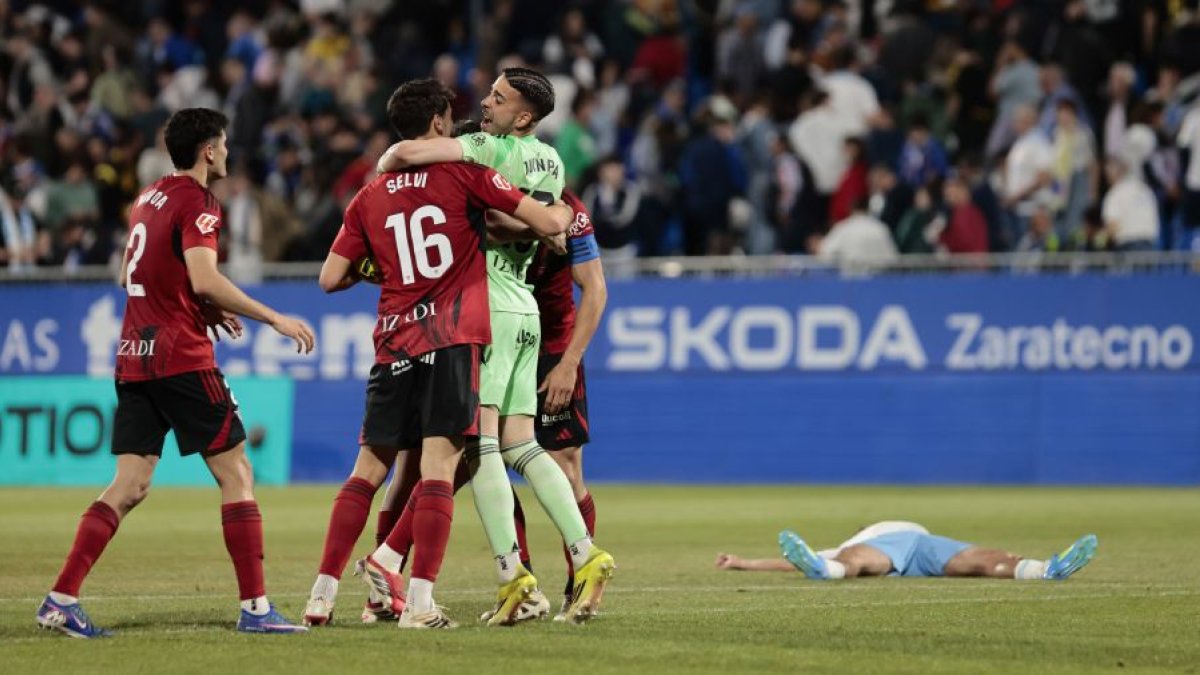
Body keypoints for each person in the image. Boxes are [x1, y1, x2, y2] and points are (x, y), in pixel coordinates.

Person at [36, 108, 316, 638]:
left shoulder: (148, 197)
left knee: (132, 482)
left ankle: (61, 598)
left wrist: (198, 305)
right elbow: (205, 278)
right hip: (181, 359)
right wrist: (274, 317)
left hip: (134, 355)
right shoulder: (198, 201)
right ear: (209, 149)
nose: (229, 153)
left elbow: (130, 274)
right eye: (225, 144)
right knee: (237, 474)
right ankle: (256, 609)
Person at [307, 79, 572, 630]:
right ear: (438, 125)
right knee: (441, 469)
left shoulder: (369, 194)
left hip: (393, 340)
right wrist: (565, 222)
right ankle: (419, 603)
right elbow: (548, 222)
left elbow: (330, 278)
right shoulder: (465, 174)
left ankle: (322, 594)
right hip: (451, 339)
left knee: (368, 471)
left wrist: (386, 266)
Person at [376, 67, 615, 625]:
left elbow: (409, 154)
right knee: (521, 447)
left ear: (522, 116)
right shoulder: (553, 163)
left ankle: (512, 574)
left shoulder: (483, 148)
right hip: (526, 311)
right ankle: (585, 553)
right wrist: (536, 224)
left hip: (485, 311)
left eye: (498, 96)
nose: (484, 101)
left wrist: (387, 164)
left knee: (477, 447)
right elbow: (554, 221)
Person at [716, 521, 1097, 582]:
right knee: (854, 560)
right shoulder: (855, 542)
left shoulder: (859, 539)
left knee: (980, 559)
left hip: (923, 548)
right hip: (911, 549)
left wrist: (742, 563)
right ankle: (1038, 569)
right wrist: (744, 563)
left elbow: (792, 559)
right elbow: (789, 561)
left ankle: (1045, 568)